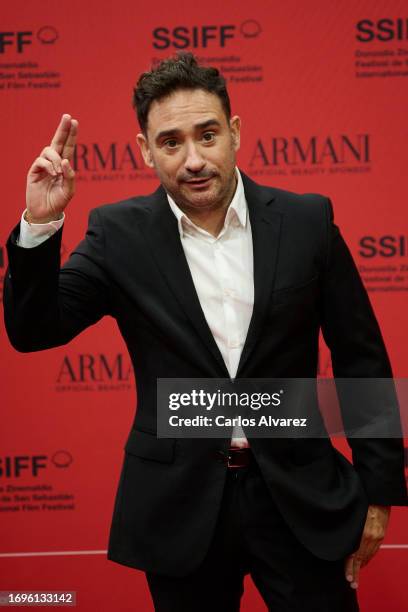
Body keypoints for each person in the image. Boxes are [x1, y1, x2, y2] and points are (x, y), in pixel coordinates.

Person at [3, 52, 407, 611]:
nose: (194, 159)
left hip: (300, 498)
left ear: (235, 133)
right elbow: (33, 330)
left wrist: (380, 490)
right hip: (179, 508)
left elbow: (361, 357)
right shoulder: (119, 235)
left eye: (208, 135)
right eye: (171, 142)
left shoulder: (307, 221)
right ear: (145, 150)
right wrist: (41, 225)